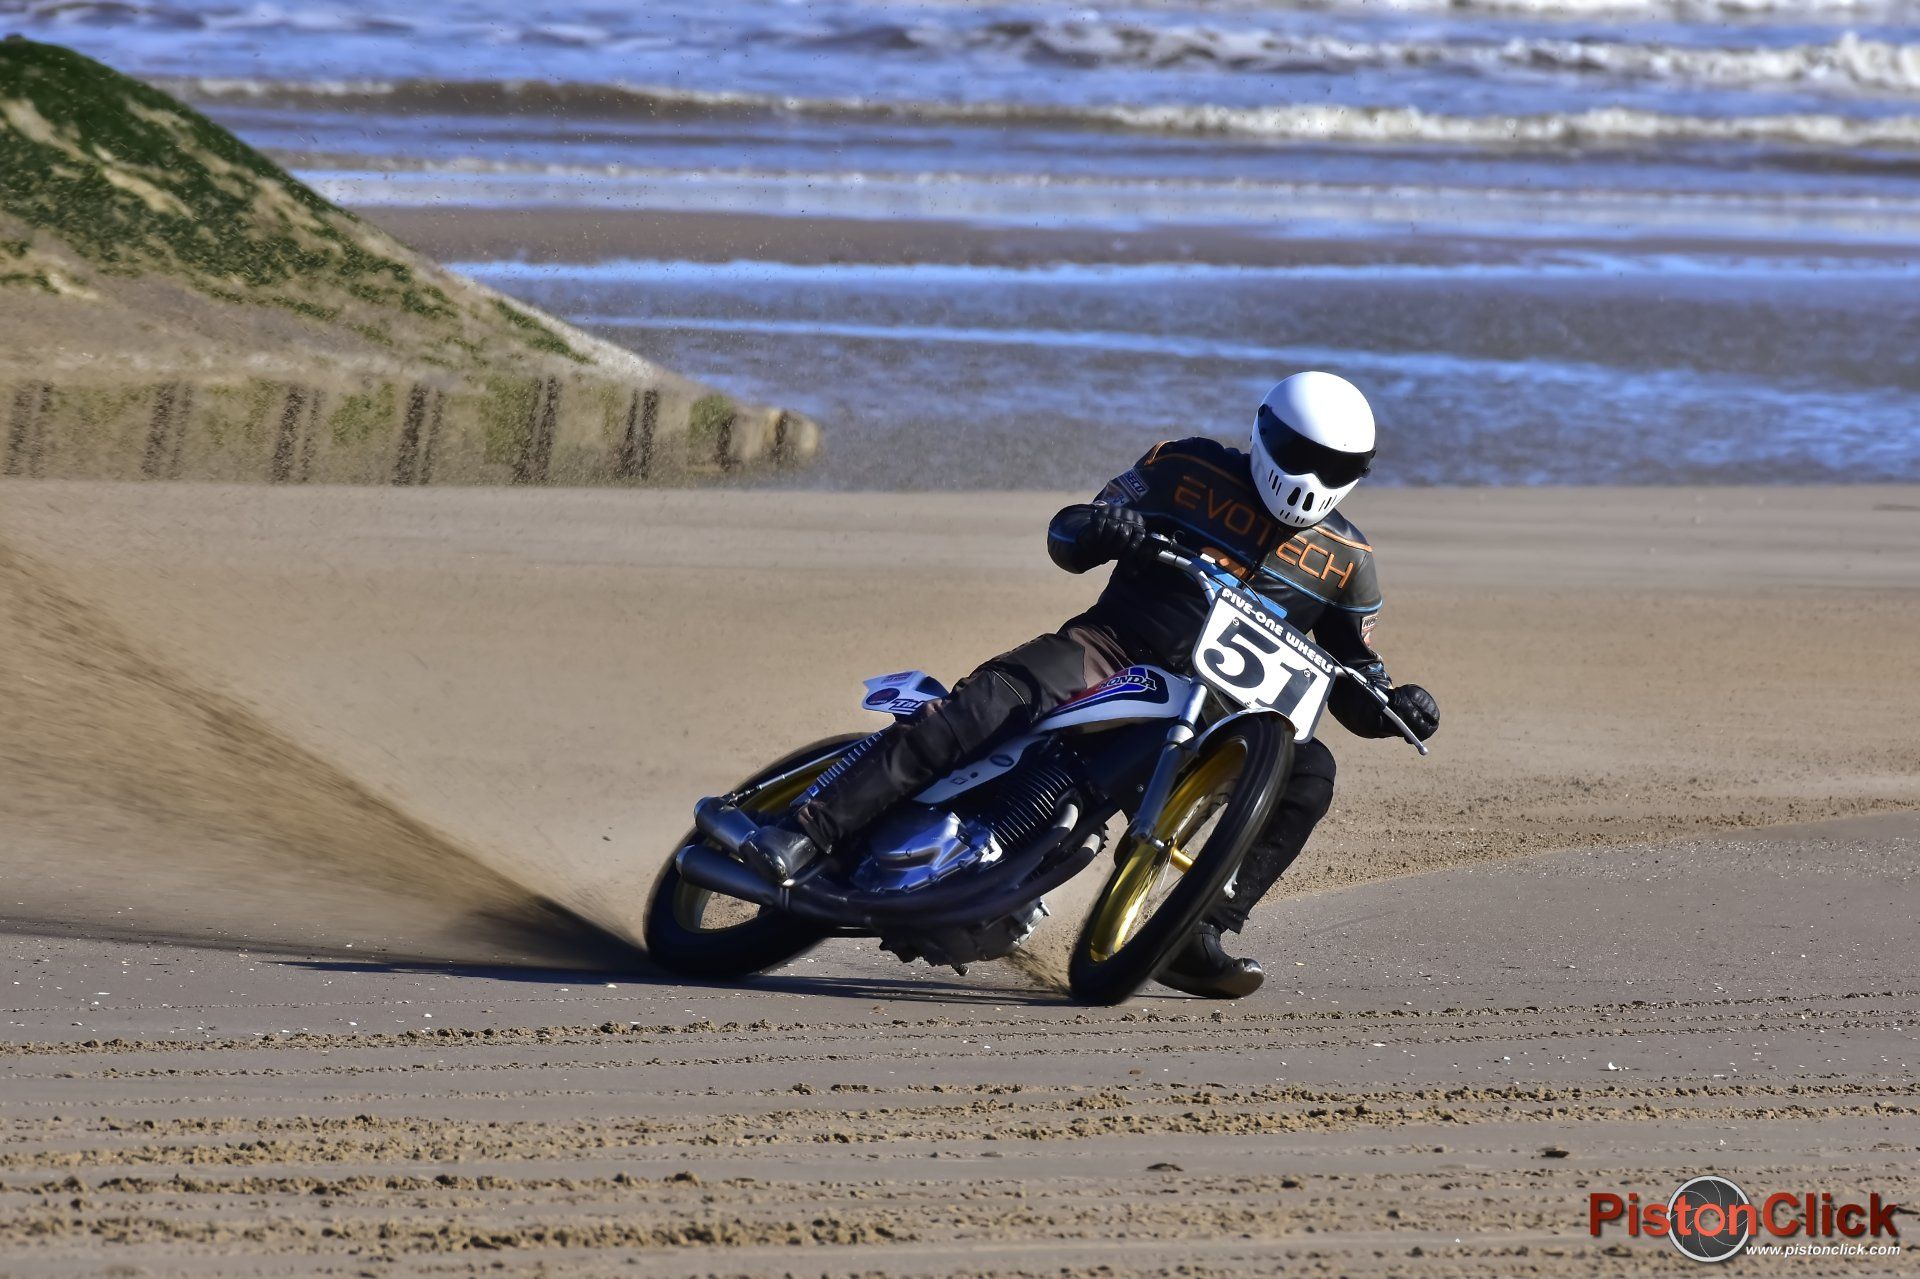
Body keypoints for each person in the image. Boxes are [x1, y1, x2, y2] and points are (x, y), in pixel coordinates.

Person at [744, 371, 1439, 998]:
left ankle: (1203, 927)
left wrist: (1397, 706)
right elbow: (1068, 536)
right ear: (1266, 434)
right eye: (1303, 453)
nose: (1313, 475)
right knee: (987, 703)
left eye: (1337, 466)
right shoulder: (1186, 465)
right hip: (1110, 649)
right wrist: (1108, 526)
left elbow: (1355, 683)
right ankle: (806, 828)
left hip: (1224, 717)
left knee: (1311, 770)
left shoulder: (1349, 561)